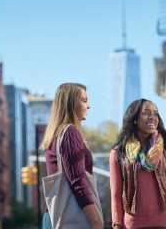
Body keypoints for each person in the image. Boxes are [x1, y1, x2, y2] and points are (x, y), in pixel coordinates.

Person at [109, 99, 166, 229]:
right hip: (133, 225)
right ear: (134, 118)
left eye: (156, 114)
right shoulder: (118, 152)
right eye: (146, 113)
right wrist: (117, 224)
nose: (152, 117)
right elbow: (116, 193)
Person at [41, 82, 103, 229]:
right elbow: (77, 180)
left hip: (53, 216)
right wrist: (96, 220)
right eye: (84, 100)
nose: (88, 106)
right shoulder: (69, 133)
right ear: (71, 103)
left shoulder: (54, 134)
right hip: (72, 218)